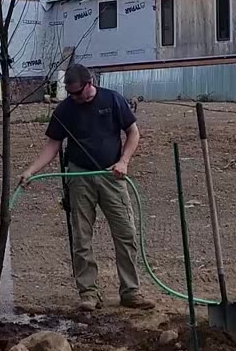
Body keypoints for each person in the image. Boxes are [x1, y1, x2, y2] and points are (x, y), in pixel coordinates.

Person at [19, 63, 153, 312]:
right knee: (81, 237)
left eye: (78, 93)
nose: (75, 98)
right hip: (79, 176)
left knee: (126, 233)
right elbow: (53, 145)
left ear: (89, 84)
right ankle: (88, 293)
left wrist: (124, 162)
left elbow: (133, 133)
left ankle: (131, 291)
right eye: (70, 94)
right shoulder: (65, 110)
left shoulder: (113, 100)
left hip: (112, 174)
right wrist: (31, 171)